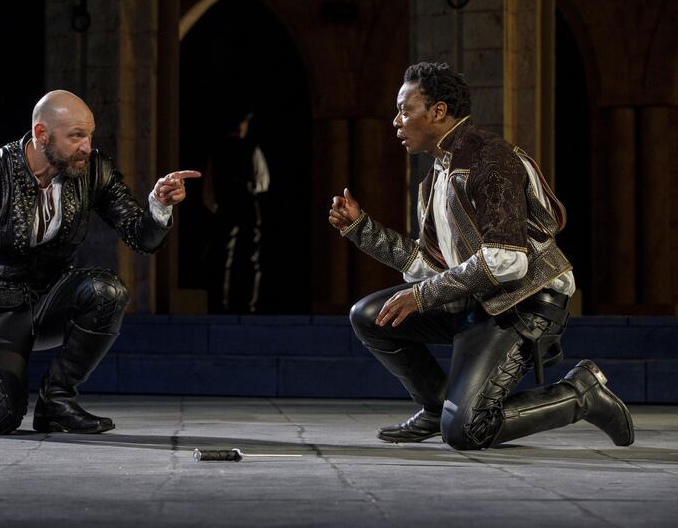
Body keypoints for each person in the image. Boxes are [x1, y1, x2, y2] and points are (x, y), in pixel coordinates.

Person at [329, 62, 633, 450]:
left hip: (525, 304)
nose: (396, 122)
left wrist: (422, 296)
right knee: (370, 316)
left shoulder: (491, 158)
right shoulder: (434, 178)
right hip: (478, 302)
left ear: (438, 111)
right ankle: (439, 408)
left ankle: (580, 393)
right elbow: (430, 268)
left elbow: (507, 260)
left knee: (469, 431)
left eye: (406, 110)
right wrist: (362, 229)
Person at [0, 90, 200, 435]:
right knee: (0, 419)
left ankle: (57, 401)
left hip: (48, 302)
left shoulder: (92, 169)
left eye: (89, 135)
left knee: (107, 292)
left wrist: (159, 205)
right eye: (76, 136)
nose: (87, 146)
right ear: (42, 134)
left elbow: (139, 236)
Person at [203, 110, 269, 313]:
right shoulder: (251, 148)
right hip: (246, 204)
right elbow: (262, 181)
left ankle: (220, 304)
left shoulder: (218, 150)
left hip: (226, 206)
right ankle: (248, 304)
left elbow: (209, 188)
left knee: (223, 256)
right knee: (249, 256)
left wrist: (215, 205)